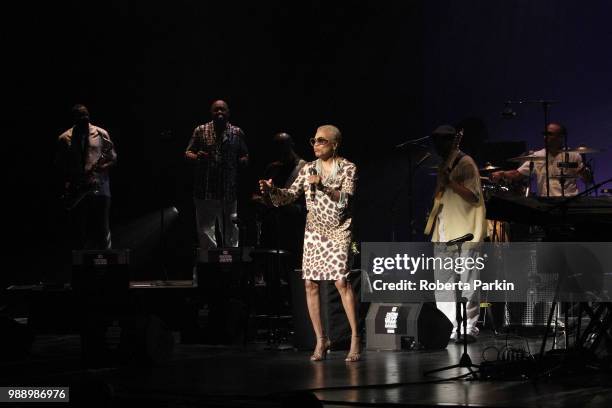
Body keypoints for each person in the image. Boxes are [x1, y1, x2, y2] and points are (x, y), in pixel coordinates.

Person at [259, 125, 360, 361]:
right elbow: (290, 196)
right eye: (314, 140)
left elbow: (346, 199)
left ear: (335, 144)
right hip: (314, 230)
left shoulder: (348, 168)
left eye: (322, 141)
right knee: (310, 284)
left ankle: (355, 338)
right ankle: (321, 340)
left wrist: (323, 186)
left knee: (341, 281)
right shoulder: (307, 169)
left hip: (339, 229)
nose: (316, 144)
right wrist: (271, 190)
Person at [429, 124, 487, 343]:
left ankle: (469, 327)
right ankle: (449, 327)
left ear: (451, 140)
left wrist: (450, 183)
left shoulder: (466, 163)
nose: (436, 146)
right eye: (435, 141)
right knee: (443, 284)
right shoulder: (443, 164)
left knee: (468, 282)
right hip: (443, 231)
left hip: (466, 232)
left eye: (442, 140)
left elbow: (474, 196)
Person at [185, 100, 248, 259]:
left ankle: (231, 266)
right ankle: (209, 267)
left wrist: (244, 160)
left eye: (223, 110)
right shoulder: (200, 130)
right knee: (206, 231)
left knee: (231, 231)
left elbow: (244, 154)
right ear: (211, 112)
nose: (219, 112)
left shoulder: (237, 132)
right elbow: (188, 153)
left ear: (228, 112)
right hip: (205, 190)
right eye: (216, 110)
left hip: (229, 190)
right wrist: (197, 156)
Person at [56, 104, 117, 249]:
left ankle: (104, 265)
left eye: (86, 117)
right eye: (81, 118)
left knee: (102, 229)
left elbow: (113, 158)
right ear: (74, 119)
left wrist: (100, 168)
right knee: (79, 231)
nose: (85, 120)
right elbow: (58, 164)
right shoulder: (64, 138)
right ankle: (81, 267)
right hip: (77, 190)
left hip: (100, 188)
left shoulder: (102, 133)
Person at [490, 123, 592, 197]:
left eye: (550, 134)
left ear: (561, 137)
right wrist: (502, 173)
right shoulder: (537, 156)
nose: (545, 137)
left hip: (569, 201)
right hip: (546, 202)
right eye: (545, 134)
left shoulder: (574, 155)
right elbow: (517, 174)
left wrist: (586, 172)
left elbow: (587, 180)